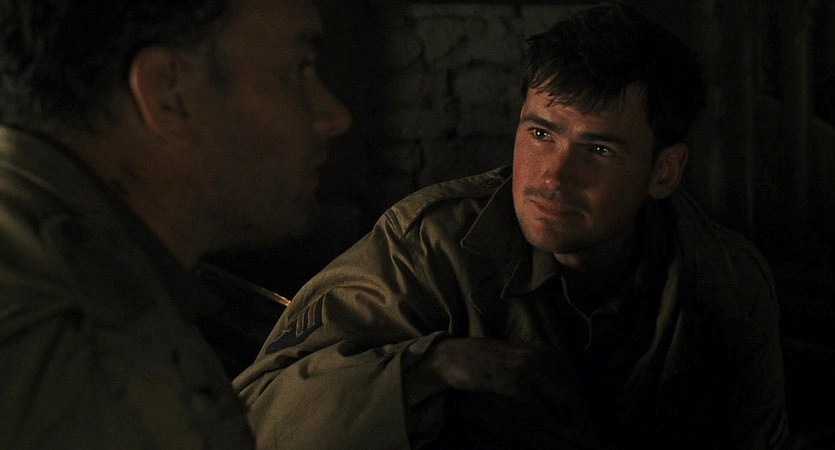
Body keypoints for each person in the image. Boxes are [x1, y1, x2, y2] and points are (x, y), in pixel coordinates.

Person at [235, 2, 788, 449]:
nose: (554, 177)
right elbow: (257, 417)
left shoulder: (725, 279)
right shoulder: (429, 247)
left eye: (598, 149)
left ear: (663, 172)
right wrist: (438, 366)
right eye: (541, 134)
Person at [0, 0, 351, 447]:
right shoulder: (66, 342)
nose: (335, 117)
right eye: (299, 68)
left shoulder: (100, 275)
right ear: (169, 95)